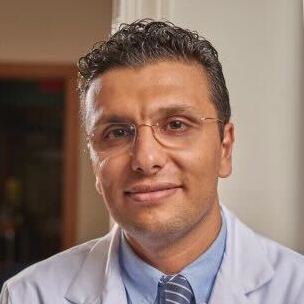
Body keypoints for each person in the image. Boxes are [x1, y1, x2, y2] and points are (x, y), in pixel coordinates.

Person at [1, 19, 304, 304]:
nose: (145, 160)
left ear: (224, 148)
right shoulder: (28, 295)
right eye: (117, 132)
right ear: (95, 164)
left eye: (176, 125)